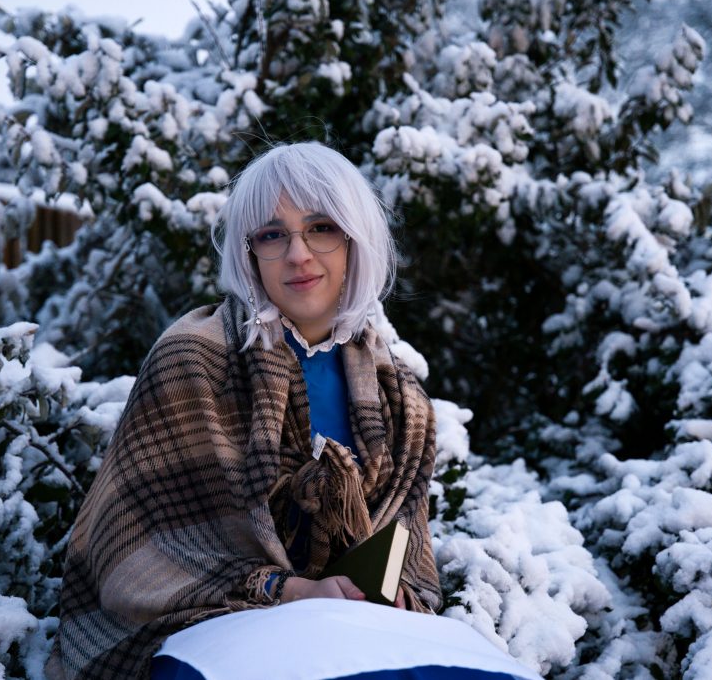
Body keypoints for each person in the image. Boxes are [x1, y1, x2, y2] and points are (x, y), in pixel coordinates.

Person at [46, 142, 442, 680]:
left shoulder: (401, 399)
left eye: (322, 227)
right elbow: (139, 550)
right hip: (212, 629)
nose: (299, 254)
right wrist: (289, 591)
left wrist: (392, 597)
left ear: (356, 240)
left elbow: (410, 559)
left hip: (357, 636)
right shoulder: (193, 360)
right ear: (249, 252)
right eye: (272, 234)